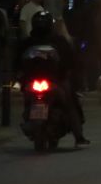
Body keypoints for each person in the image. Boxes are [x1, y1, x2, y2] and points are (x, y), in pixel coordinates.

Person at [20, 11, 88, 146]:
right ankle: (79, 137)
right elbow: (71, 61)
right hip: (53, 81)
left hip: (46, 81)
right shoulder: (57, 41)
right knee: (70, 103)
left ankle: (78, 136)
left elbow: (17, 63)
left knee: (69, 101)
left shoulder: (29, 42)